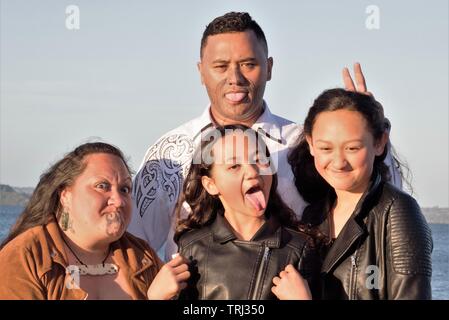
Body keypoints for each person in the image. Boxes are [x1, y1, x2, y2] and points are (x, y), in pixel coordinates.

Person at [128, 11, 401, 261]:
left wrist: (369, 131)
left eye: (248, 64)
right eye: (220, 66)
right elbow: (133, 247)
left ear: (269, 67)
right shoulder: (169, 154)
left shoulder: (305, 144)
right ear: (201, 72)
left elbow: (377, 204)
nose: (235, 78)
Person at [286, 88, 432, 299]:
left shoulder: (397, 213)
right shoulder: (312, 216)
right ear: (310, 144)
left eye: (352, 148)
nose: (338, 162)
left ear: (380, 142)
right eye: (326, 148)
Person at [0, 142, 190, 300]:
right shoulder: (25, 259)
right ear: (65, 195)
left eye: (124, 189)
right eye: (102, 186)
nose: (118, 201)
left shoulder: (142, 258)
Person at [174, 125, 317, 300]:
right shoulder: (192, 247)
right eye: (234, 166)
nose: (252, 172)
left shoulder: (298, 248)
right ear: (211, 184)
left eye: (259, 160)